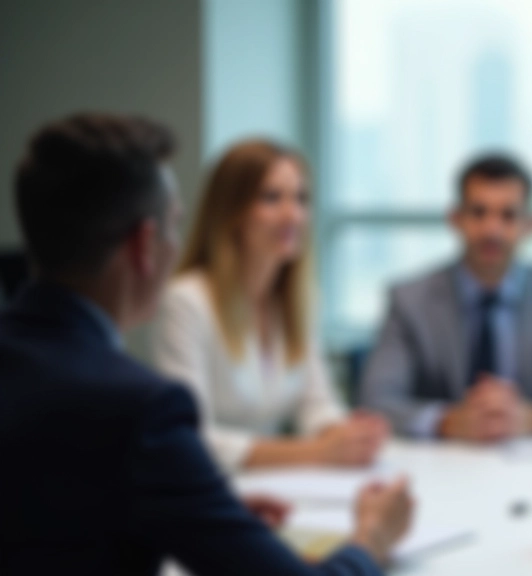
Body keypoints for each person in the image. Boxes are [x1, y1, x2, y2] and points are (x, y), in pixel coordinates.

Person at [0, 113, 412, 575]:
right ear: (144, 246)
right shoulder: (143, 410)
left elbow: (52, 513)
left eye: (300, 198)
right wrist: (372, 537)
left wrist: (201, 513)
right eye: (173, 226)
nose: (292, 214)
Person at [151, 139, 388, 472]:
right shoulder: (186, 301)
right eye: (272, 198)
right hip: (210, 485)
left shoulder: (301, 299)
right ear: (231, 211)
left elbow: (316, 403)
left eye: (301, 198)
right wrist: (316, 451)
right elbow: (191, 435)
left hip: (276, 483)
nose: (293, 215)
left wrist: (348, 435)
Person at [361, 154, 532, 442]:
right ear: (455, 219)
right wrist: (447, 421)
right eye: (478, 213)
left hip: (529, 459)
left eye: (508, 215)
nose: (491, 230)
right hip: (441, 459)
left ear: (530, 225)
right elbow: (375, 400)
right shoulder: (409, 299)